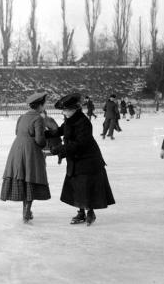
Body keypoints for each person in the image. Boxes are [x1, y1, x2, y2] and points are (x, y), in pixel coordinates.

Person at [48, 93, 115, 225]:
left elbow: (79, 144)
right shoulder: (70, 119)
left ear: (74, 109)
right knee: (77, 186)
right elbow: (61, 130)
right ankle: (81, 213)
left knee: (86, 186)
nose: (64, 112)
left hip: (88, 160)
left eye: (66, 110)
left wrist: (59, 149)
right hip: (75, 159)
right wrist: (45, 134)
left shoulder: (83, 122)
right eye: (63, 110)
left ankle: (90, 212)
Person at [0, 92, 51, 223]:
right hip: (30, 151)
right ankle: (27, 210)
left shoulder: (22, 117)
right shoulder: (38, 118)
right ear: (40, 105)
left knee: (22, 178)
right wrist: (45, 139)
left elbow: (17, 132)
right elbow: (40, 141)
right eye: (44, 104)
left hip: (17, 149)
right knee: (31, 179)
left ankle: (26, 210)